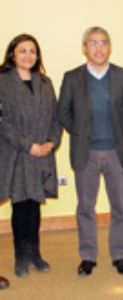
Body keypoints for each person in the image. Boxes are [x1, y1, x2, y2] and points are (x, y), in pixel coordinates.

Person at [57, 26, 123, 276]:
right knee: (85, 208)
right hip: (86, 153)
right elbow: (63, 113)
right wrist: (81, 132)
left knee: (120, 208)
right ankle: (88, 256)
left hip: (116, 151)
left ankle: (120, 255)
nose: (99, 48)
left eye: (103, 43)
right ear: (84, 48)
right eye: (93, 43)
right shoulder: (72, 78)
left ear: (109, 47)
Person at [0, 34, 61, 278]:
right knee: (20, 205)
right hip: (16, 154)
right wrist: (28, 145)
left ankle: (35, 253)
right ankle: (21, 256)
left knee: (34, 205)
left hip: (42, 154)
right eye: (22, 50)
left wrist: (51, 142)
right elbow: (3, 123)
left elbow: (56, 119)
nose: (28, 55)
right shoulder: (3, 82)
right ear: (12, 54)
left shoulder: (45, 82)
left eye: (32, 51)